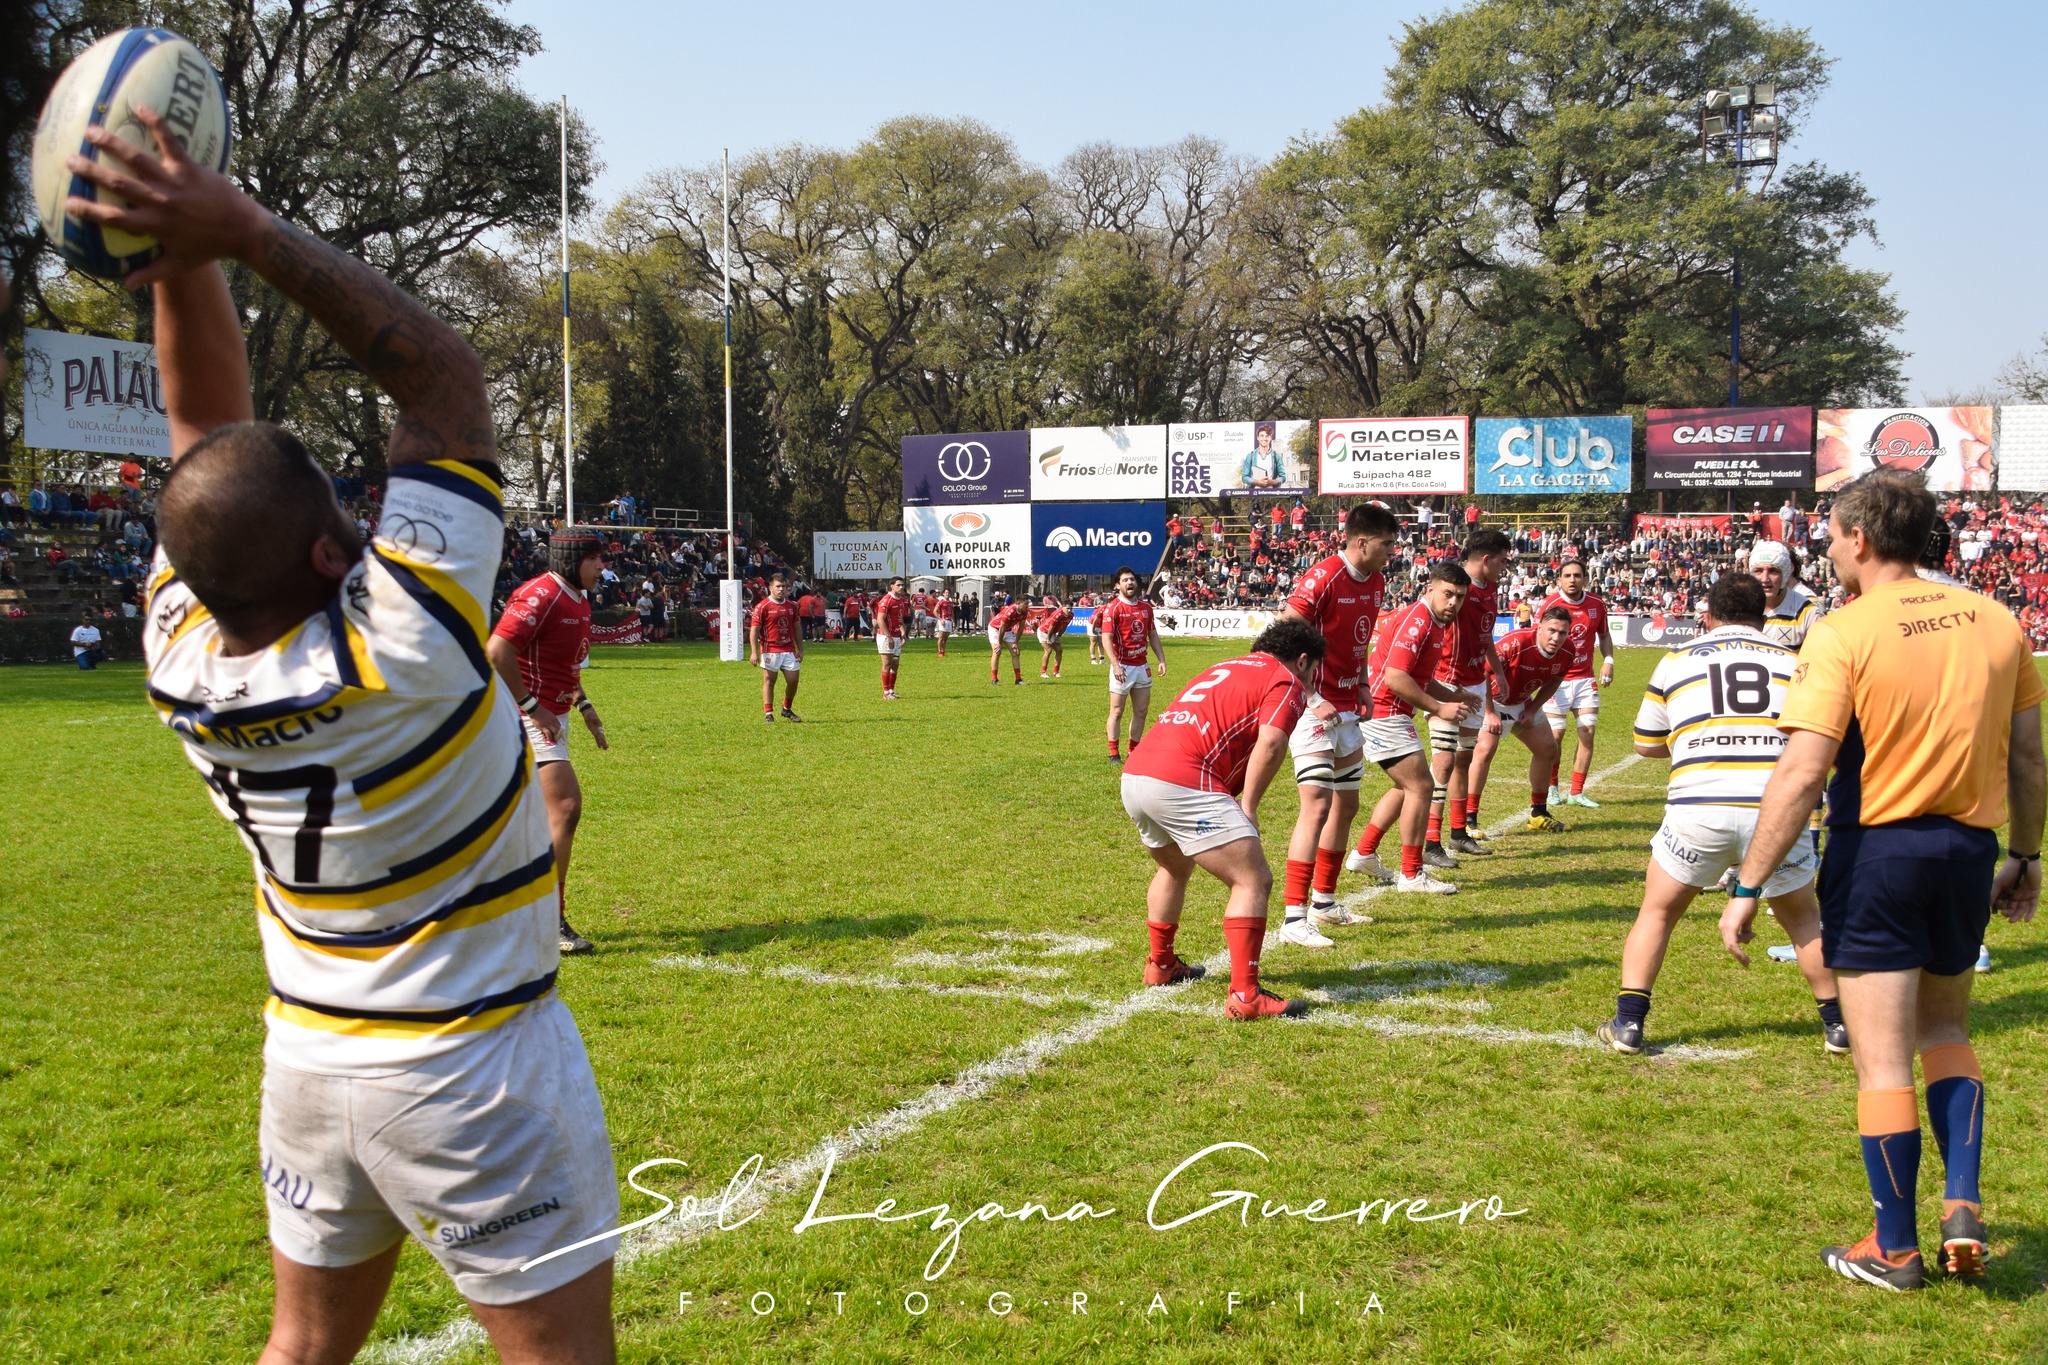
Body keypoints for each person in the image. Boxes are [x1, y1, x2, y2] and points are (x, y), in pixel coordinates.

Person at [79, 106, 618, 1359]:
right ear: (334, 552)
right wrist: (244, 230)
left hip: (310, 1060)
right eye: (346, 509)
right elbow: (441, 377)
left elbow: (199, 441)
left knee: (300, 1353)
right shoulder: (409, 638)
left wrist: (179, 254)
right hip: (472, 1068)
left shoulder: (180, 649)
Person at [1720, 469, 2044, 1291]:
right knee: (1946, 1032)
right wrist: (2028, 856)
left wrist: (1749, 884)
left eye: (1830, 537)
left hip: (1879, 854)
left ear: (1859, 538)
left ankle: (1893, 1248)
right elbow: (2030, 756)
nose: (1827, 551)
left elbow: (1801, 769)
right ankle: (1960, 1198)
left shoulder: (1843, 630)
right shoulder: (1999, 621)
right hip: (1969, 851)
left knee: (1882, 1062)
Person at [1597, 574, 1843, 1056]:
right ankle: (1838, 1024)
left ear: (1707, 616)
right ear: (1765, 616)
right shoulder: (1796, 663)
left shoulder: (1676, 661)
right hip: (1778, 809)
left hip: (1699, 804)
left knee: (1658, 912)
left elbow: (1646, 745)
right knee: (1804, 921)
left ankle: (1629, 1023)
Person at [1122, 617, 1326, 1019]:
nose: (1314, 679)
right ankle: (1246, 996)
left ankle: (1161, 964)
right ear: (1302, 660)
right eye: (1315, 670)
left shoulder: (1224, 665)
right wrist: (1248, 806)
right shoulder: (1285, 680)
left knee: (1175, 867)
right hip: (1183, 779)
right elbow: (1271, 740)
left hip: (1137, 773)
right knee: (1252, 879)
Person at [1272, 502, 1399, 947]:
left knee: (1346, 805)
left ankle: (1324, 903)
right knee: (1317, 807)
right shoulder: (1324, 575)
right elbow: (1283, 636)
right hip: (1316, 708)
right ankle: (1293, 918)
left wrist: (1362, 683)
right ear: (1361, 542)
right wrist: (1310, 696)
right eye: (1386, 544)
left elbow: (1359, 639)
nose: (1393, 552)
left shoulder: (1378, 580)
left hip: (1349, 704)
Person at [490, 528, 610, 957]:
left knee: (519, 819)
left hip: (550, 717)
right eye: (594, 558)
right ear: (570, 560)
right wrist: (532, 707)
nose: (602, 566)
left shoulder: (578, 598)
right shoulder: (541, 595)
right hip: (521, 718)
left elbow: (563, 664)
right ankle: (546, 919)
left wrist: (583, 704)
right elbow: (498, 650)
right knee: (565, 807)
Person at [1344, 562, 1475, 893]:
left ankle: (1364, 853)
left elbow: (1421, 679)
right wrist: (1440, 707)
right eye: (1447, 594)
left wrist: (1453, 695)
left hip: (1390, 711)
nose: (1453, 603)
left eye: (1460, 597)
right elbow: (1396, 678)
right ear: (1429, 589)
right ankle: (1412, 874)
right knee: (1422, 787)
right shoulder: (1418, 621)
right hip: (1385, 711)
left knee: (1407, 787)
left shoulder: (1433, 622)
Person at [1427, 530, 1512, 863]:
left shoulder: (1489, 589)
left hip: (1476, 683)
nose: (1505, 568)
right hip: (1448, 682)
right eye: (1502, 561)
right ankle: (1431, 842)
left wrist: (1498, 672)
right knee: (1444, 761)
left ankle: (1459, 833)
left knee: (1463, 758)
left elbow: (1485, 633)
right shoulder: (1455, 591)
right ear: (1486, 559)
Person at [1470, 605, 1575, 834]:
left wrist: (1534, 708)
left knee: (1548, 748)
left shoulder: (1568, 651)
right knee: (1485, 749)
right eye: (1551, 630)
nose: (1556, 637)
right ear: (1539, 627)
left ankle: (1538, 813)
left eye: (1562, 633)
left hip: (1522, 703)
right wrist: (1489, 712)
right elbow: (1483, 673)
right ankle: (1469, 820)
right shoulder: (1515, 643)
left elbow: (1555, 680)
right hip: (1491, 701)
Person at [1540, 559, 1616, 809]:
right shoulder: (1550, 604)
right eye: (1567, 575)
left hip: (1585, 679)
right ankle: (1552, 789)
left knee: (1588, 733)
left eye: (1577, 575)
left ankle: (1576, 792)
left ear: (1585, 578)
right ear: (1559, 579)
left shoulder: (1596, 604)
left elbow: (1604, 635)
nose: (1572, 579)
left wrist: (1609, 660)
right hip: (1556, 680)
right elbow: (1538, 638)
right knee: (1555, 736)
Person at [1095, 567, 1166, 763]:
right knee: (1117, 711)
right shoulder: (1113, 608)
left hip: (1142, 666)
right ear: (1118, 585)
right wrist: (1115, 665)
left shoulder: (1146, 608)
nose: (1129, 583)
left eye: (1132, 579)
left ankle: (1134, 752)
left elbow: (1153, 635)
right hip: (1123, 667)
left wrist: (1161, 659)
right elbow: (1107, 638)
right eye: (1125, 580)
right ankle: (1113, 753)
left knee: (1141, 711)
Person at [749, 572, 803, 722]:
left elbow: (797, 628)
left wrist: (801, 649)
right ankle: (768, 713)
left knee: (793, 680)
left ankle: (786, 708)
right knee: (769, 681)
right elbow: (754, 630)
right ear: (770, 588)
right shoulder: (762, 607)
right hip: (770, 649)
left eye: (783, 586)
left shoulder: (792, 606)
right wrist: (754, 652)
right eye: (778, 586)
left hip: (788, 649)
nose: (781, 589)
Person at [872, 577, 909, 698]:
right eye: (898, 585)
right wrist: (889, 637)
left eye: (902, 585)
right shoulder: (886, 600)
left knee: (895, 664)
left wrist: (902, 632)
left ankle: (892, 691)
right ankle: (886, 693)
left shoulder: (901, 600)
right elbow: (880, 619)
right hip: (885, 636)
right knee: (887, 664)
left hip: (896, 636)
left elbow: (899, 619)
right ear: (891, 586)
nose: (901, 587)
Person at [987, 594, 1030, 685]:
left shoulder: (1024, 611)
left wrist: (1016, 642)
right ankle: (994, 679)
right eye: (1025, 604)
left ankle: (1018, 679)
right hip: (995, 629)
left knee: (1016, 652)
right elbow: (1002, 627)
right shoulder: (1010, 611)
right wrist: (999, 643)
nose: (1027, 606)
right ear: (1018, 603)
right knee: (997, 651)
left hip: (1007, 630)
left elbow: (1021, 627)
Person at [1239, 420, 1286, 490]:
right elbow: (1244, 477)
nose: (1264, 438)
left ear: (1270, 438)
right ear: (1258, 438)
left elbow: (1283, 477)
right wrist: (1257, 482)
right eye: (1262, 436)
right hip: (1254, 494)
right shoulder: (1250, 456)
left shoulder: (1277, 456)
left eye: (1267, 436)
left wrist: (1272, 482)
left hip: (1272, 494)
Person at [1036, 594, 1073, 679]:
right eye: (1067, 608)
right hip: (1044, 631)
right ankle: (1043, 672)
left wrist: (1058, 637)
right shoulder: (1058, 614)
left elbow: (1064, 626)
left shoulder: (1071, 615)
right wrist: (1048, 639)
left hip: (1052, 633)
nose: (1069, 610)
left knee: (1059, 651)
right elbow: (1051, 627)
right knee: (1048, 650)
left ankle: (1056, 672)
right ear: (1062, 607)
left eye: (1071, 608)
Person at [933, 588, 955, 657]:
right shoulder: (941, 601)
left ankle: (943, 651)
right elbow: (935, 611)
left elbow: (952, 612)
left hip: (949, 621)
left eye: (948, 592)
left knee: (946, 638)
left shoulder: (951, 603)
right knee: (941, 637)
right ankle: (939, 652)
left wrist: (953, 621)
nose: (947, 594)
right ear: (943, 594)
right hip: (943, 620)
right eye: (946, 592)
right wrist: (940, 619)